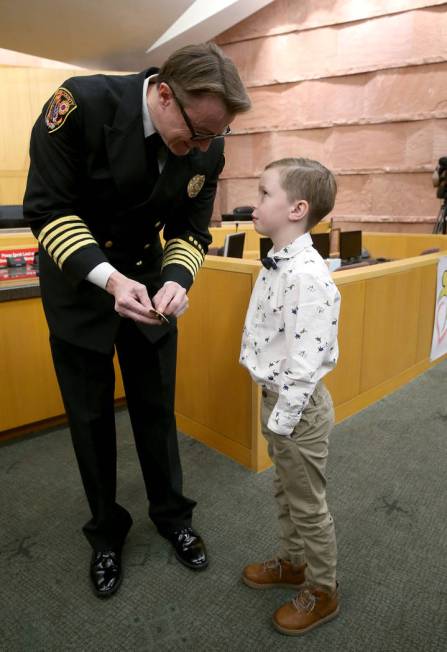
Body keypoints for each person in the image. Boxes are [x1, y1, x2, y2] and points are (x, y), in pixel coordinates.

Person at [23, 42, 251, 598]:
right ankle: (106, 532)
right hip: (81, 279)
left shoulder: (207, 144)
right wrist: (110, 281)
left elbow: (193, 230)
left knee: (156, 407)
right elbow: (47, 210)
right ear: (164, 94)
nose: (200, 149)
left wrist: (177, 279)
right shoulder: (80, 105)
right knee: (90, 416)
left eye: (212, 139)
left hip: (149, 278)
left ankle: (173, 515)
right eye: (195, 134)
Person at [239, 158, 341, 635]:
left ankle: (323, 590)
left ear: (297, 208)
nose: (253, 203)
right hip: (277, 401)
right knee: (285, 491)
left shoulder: (308, 276)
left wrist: (280, 423)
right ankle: (293, 561)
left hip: (297, 410)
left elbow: (305, 364)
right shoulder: (279, 260)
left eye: (263, 194)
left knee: (308, 505)